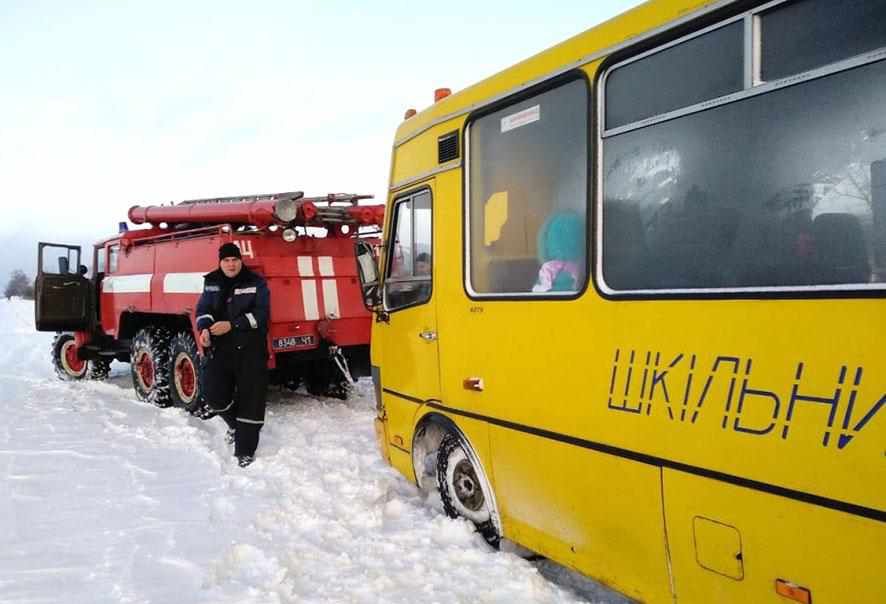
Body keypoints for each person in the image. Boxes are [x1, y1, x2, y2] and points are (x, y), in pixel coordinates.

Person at [195, 242, 270, 467]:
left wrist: (233, 325)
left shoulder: (256, 282)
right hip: (221, 349)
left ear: (241, 260)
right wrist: (205, 329)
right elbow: (203, 309)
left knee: (251, 400)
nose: (231, 264)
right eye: (226, 260)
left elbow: (262, 315)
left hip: (251, 349)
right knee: (212, 394)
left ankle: (245, 451)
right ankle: (236, 426)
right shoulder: (211, 282)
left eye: (234, 260)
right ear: (220, 262)